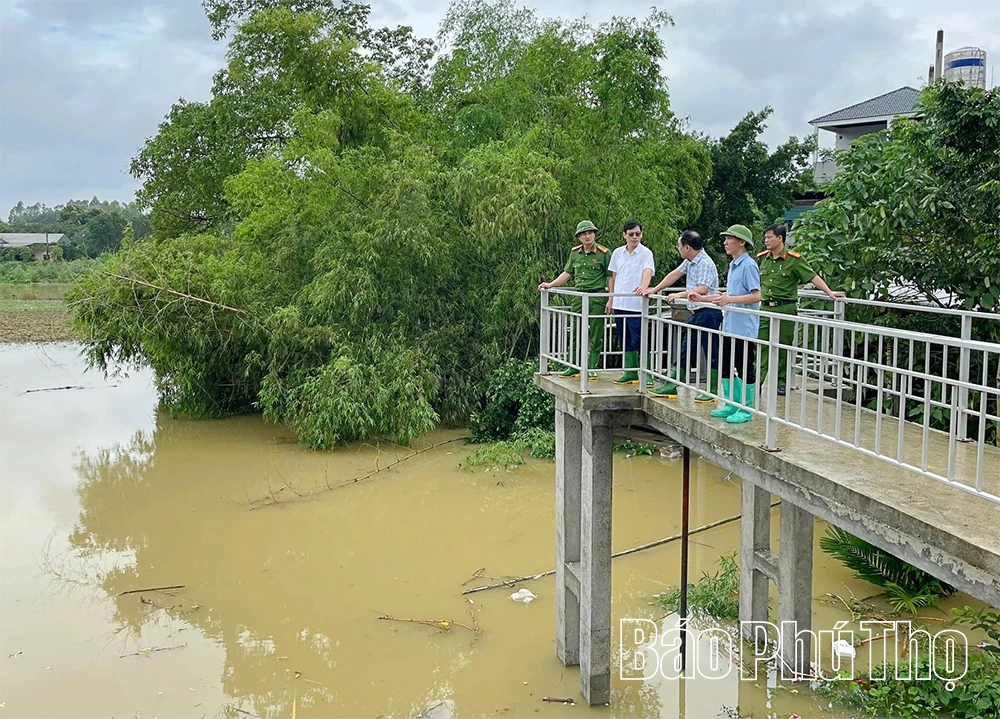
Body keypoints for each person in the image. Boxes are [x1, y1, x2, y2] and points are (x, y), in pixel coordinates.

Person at [757, 223, 844, 395]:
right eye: (765, 237)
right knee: (761, 346)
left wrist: (829, 293)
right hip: (766, 308)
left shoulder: (794, 259)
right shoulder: (762, 258)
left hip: (785, 308)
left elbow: (812, 276)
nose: (766, 241)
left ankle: (781, 382)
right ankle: (757, 382)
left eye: (769, 237)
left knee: (783, 347)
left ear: (780, 238)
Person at [640, 230, 722, 402]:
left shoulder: (705, 263)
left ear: (687, 247)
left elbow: (702, 289)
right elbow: (675, 274)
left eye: (679, 246)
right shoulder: (690, 261)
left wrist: (679, 294)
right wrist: (655, 289)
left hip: (708, 311)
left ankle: (712, 390)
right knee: (686, 349)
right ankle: (672, 384)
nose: (678, 249)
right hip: (696, 311)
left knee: (711, 351)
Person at [538, 220, 611, 380]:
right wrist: (551, 284)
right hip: (579, 297)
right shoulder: (575, 253)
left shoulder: (603, 253)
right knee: (576, 332)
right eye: (584, 233)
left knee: (596, 333)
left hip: (597, 296)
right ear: (579, 237)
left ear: (594, 234)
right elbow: (567, 273)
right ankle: (573, 366)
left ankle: (592, 367)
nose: (588, 236)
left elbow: (611, 276)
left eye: (590, 232)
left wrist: (610, 299)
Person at [704, 224, 761, 424]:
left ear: (742, 242)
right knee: (727, 365)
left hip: (744, 328)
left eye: (729, 239)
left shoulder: (748, 265)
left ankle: (746, 408)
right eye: (725, 239)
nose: (725, 242)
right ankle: (731, 403)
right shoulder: (733, 265)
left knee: (744, 367)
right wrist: (704, 298)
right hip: (730, 326)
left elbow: (756, 296)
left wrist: (730, 300)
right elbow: (730, 296)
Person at [607, 220, 654, 385]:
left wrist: (644, 287)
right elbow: (613, 276)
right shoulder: (617, 253)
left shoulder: (646, 253)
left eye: (638, 234)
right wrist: (611, 298)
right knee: (624, 338)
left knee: (639, 339)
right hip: (620, 302)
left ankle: (647, 374)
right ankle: (630, 372)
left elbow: (648, 271)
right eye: (631, 234)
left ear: (641, 234)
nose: (634, 237)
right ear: (624, 235)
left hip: (636, 305)